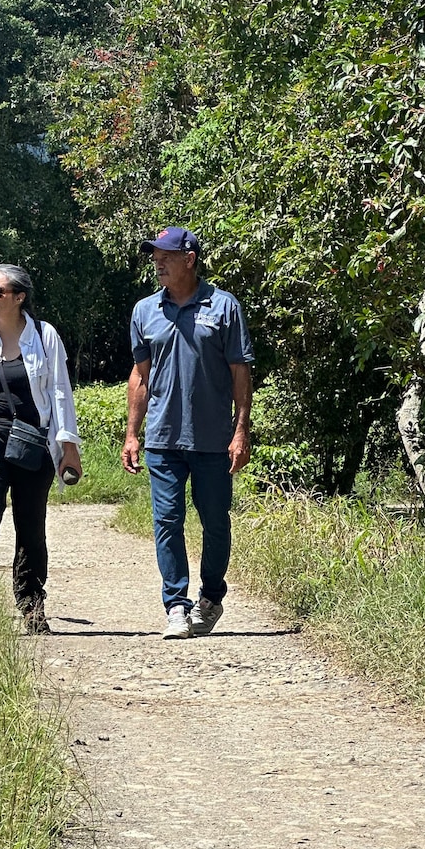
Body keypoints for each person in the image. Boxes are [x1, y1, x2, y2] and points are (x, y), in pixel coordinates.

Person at [120, 226, 254, 640]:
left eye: (166, 255)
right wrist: (131, 433)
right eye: (154, 255)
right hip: (162, 438)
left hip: (214, 439)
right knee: (167, 520)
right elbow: (140, 377)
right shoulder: (145, 311)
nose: (157, 262)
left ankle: (211, 597)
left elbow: (240, 370)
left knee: (215, 522)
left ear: (189, 258)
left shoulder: (224, 306)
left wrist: (241, 430)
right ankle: (176, 605)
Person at [0, 264, 82, 634]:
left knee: (30, 528)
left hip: (33, 442)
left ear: (20, 296)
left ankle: (31, 607)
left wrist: (68, 445)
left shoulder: (44, 336)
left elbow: (60, 391)